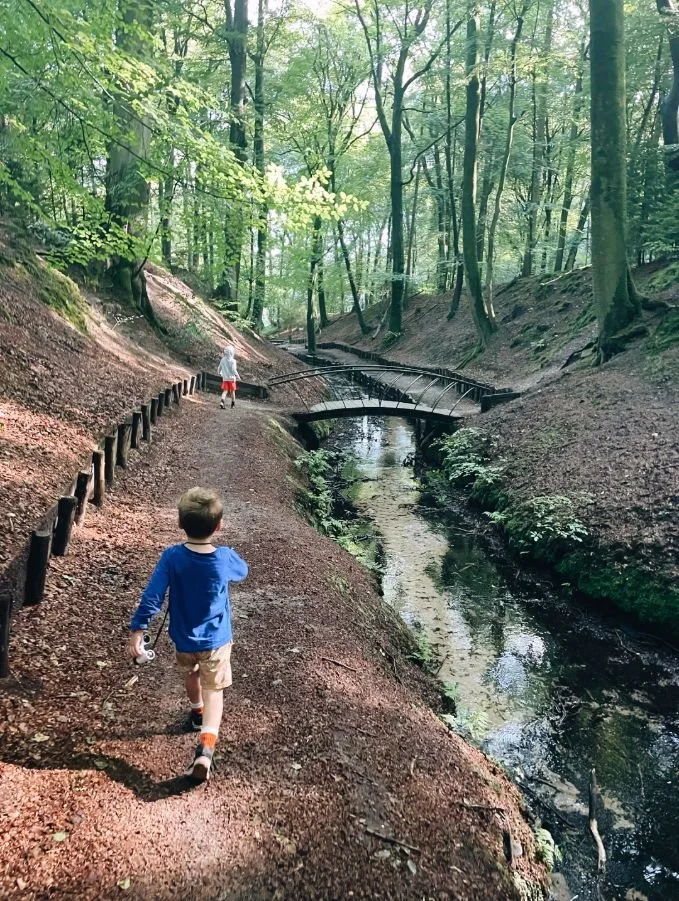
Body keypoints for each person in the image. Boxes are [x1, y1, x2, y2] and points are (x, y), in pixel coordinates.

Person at [127, 487, 248, 782]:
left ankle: (196, 712)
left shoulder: (172, 558)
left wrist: (138, 630)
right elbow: (243, 571)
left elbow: (152, 596)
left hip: (184, 638)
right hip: (217, 640)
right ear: (218, 526)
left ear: (180, 523)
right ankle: (205, 749)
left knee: (191, 673)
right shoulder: (224, 558)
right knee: (214, 690)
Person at [218, 345, 239, 410]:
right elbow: (233, 370)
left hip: (225, 378)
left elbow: (219, 367)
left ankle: (222, 402)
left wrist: (219, 372)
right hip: (232, 379)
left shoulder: (223, 359)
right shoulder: (233, 361)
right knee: (232, 391)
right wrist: (237, 375)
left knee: (225, 391)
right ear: (232, 353)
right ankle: (233, 405)